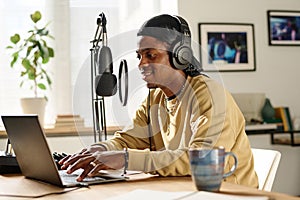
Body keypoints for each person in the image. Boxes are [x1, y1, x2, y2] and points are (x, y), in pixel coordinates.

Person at [59, 14, 258, 188]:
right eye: (139, 56)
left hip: (227, 194)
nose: (141, 64)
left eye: (151, 55)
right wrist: (101, 149)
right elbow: (130, 139)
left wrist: (127, 159)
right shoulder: (155, 97)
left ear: (180, 56)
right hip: (183, 190)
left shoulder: (209, 96)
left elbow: (202, 159)